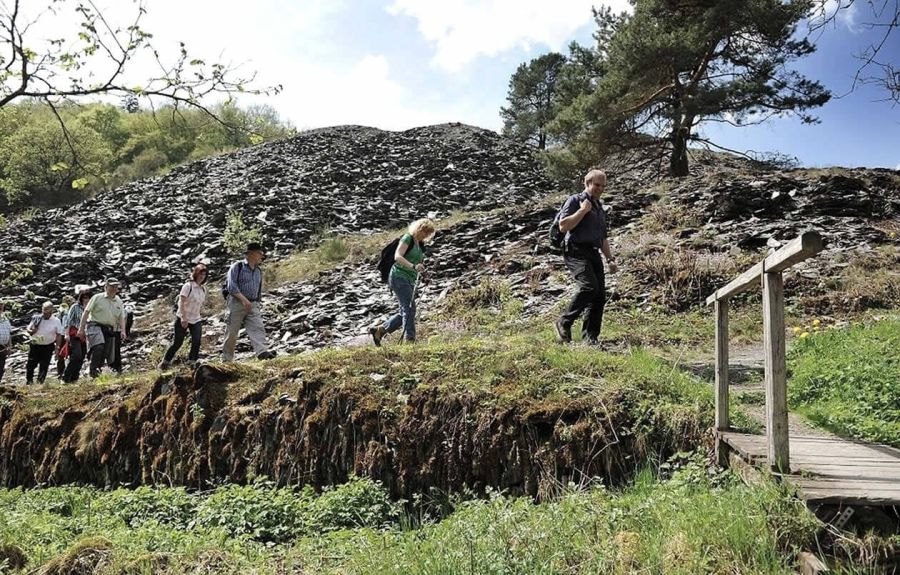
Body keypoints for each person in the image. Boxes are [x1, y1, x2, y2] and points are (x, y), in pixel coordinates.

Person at [555, 168, 618, 346]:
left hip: (593, 251)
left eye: (603, 186)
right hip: (575, 249)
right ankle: (564, 322)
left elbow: (602, 237)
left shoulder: (599, 207)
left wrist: (610, 259)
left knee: (599, 296)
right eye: (597, 185)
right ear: (587, 183)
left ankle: (590, 339)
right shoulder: (575, 200)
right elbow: (563, 226)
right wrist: (582, 211)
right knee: (589, 287)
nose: (600, 189)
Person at [369, 218, 436, 346]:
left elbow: (418, 264)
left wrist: (424, 276)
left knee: (405, 311)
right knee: (409, 309)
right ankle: (410, 340)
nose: (426, 235)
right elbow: (398, 256)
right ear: (419, 229)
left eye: (428, 234)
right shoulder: (407, 238)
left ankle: (380, 330)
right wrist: (413, 266)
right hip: (399, 276)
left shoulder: (419, 245)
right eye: (425, 232)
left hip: (410, 279)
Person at [222, 242, 275, 362]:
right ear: (251, 253)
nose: (262, 256)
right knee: (232, 332)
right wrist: (244, 300)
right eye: (260, 253)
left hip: (253, 304)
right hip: (236, 303)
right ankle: (227, 360)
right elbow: (231, 286)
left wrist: (257, 303)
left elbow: (258, 289)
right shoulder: (237, 267)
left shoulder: (258, 271)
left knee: (257, 327)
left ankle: (262, 353)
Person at [159, 263, 209, 369]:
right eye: (200, 274)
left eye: (204, 275)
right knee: (178, 342)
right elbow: (181, 302)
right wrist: (183, 317)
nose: (202, 276)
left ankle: (192, 362)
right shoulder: (188, 286)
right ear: (196, 274)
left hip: (196, 318)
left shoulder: (203, 289)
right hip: (184, 317)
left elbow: (200, 304)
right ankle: (165, 362)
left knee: (196, 341)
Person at [78, 277, 127, 378]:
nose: (114, 289)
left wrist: (123, 331)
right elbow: (86, 312)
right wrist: (81, 329)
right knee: (99, 346)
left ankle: (97, 372)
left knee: (105, 351)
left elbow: (121, 317)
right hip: (94, 325)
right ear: (106, 287)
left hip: (109, 328)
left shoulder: (118, 301)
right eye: (111, 286)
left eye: (116, 286)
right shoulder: (97, 297)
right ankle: (93, 370)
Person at [26, 301, 64, 384]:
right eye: (43, 310)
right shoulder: (37, 318)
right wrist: (32, 331)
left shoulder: (56, 321)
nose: (45, 312)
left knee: (44, 365)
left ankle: (40, 383)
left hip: (48, 346)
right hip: (35, 345)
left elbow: (59, 334)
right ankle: (29, 381)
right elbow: (28, 328)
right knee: (31, 364)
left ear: (51, 311)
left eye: (47, 310)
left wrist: (57, 347)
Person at [62, 288, 91, 383]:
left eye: (88, 297)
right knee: (76, 355)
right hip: (75, 333)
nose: (86, 299)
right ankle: (66, 376)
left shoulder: (91, 308)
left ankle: (74, 378)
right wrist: (66, 334)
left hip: (85, 336)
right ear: (81, 298)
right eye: (84, 297)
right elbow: (68, 321)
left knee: (82, 357)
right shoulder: (75, 307)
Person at [55, 295, 74, 379]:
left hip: (72, 334)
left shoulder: (74, 310)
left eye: (70, 301)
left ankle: (70, 372)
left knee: (72, 354)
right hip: (62, 334)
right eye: (67, 301)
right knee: (61, 354)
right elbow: (57, 321)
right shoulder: (61, 311)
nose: (68, 302)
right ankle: (60, 373)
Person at [0, 301, 12, 384]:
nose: (0, 309)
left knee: (1, 368)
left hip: (3, 347)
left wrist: (9, 346)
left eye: (1, 307)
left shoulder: (5, 320)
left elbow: (9, 333)